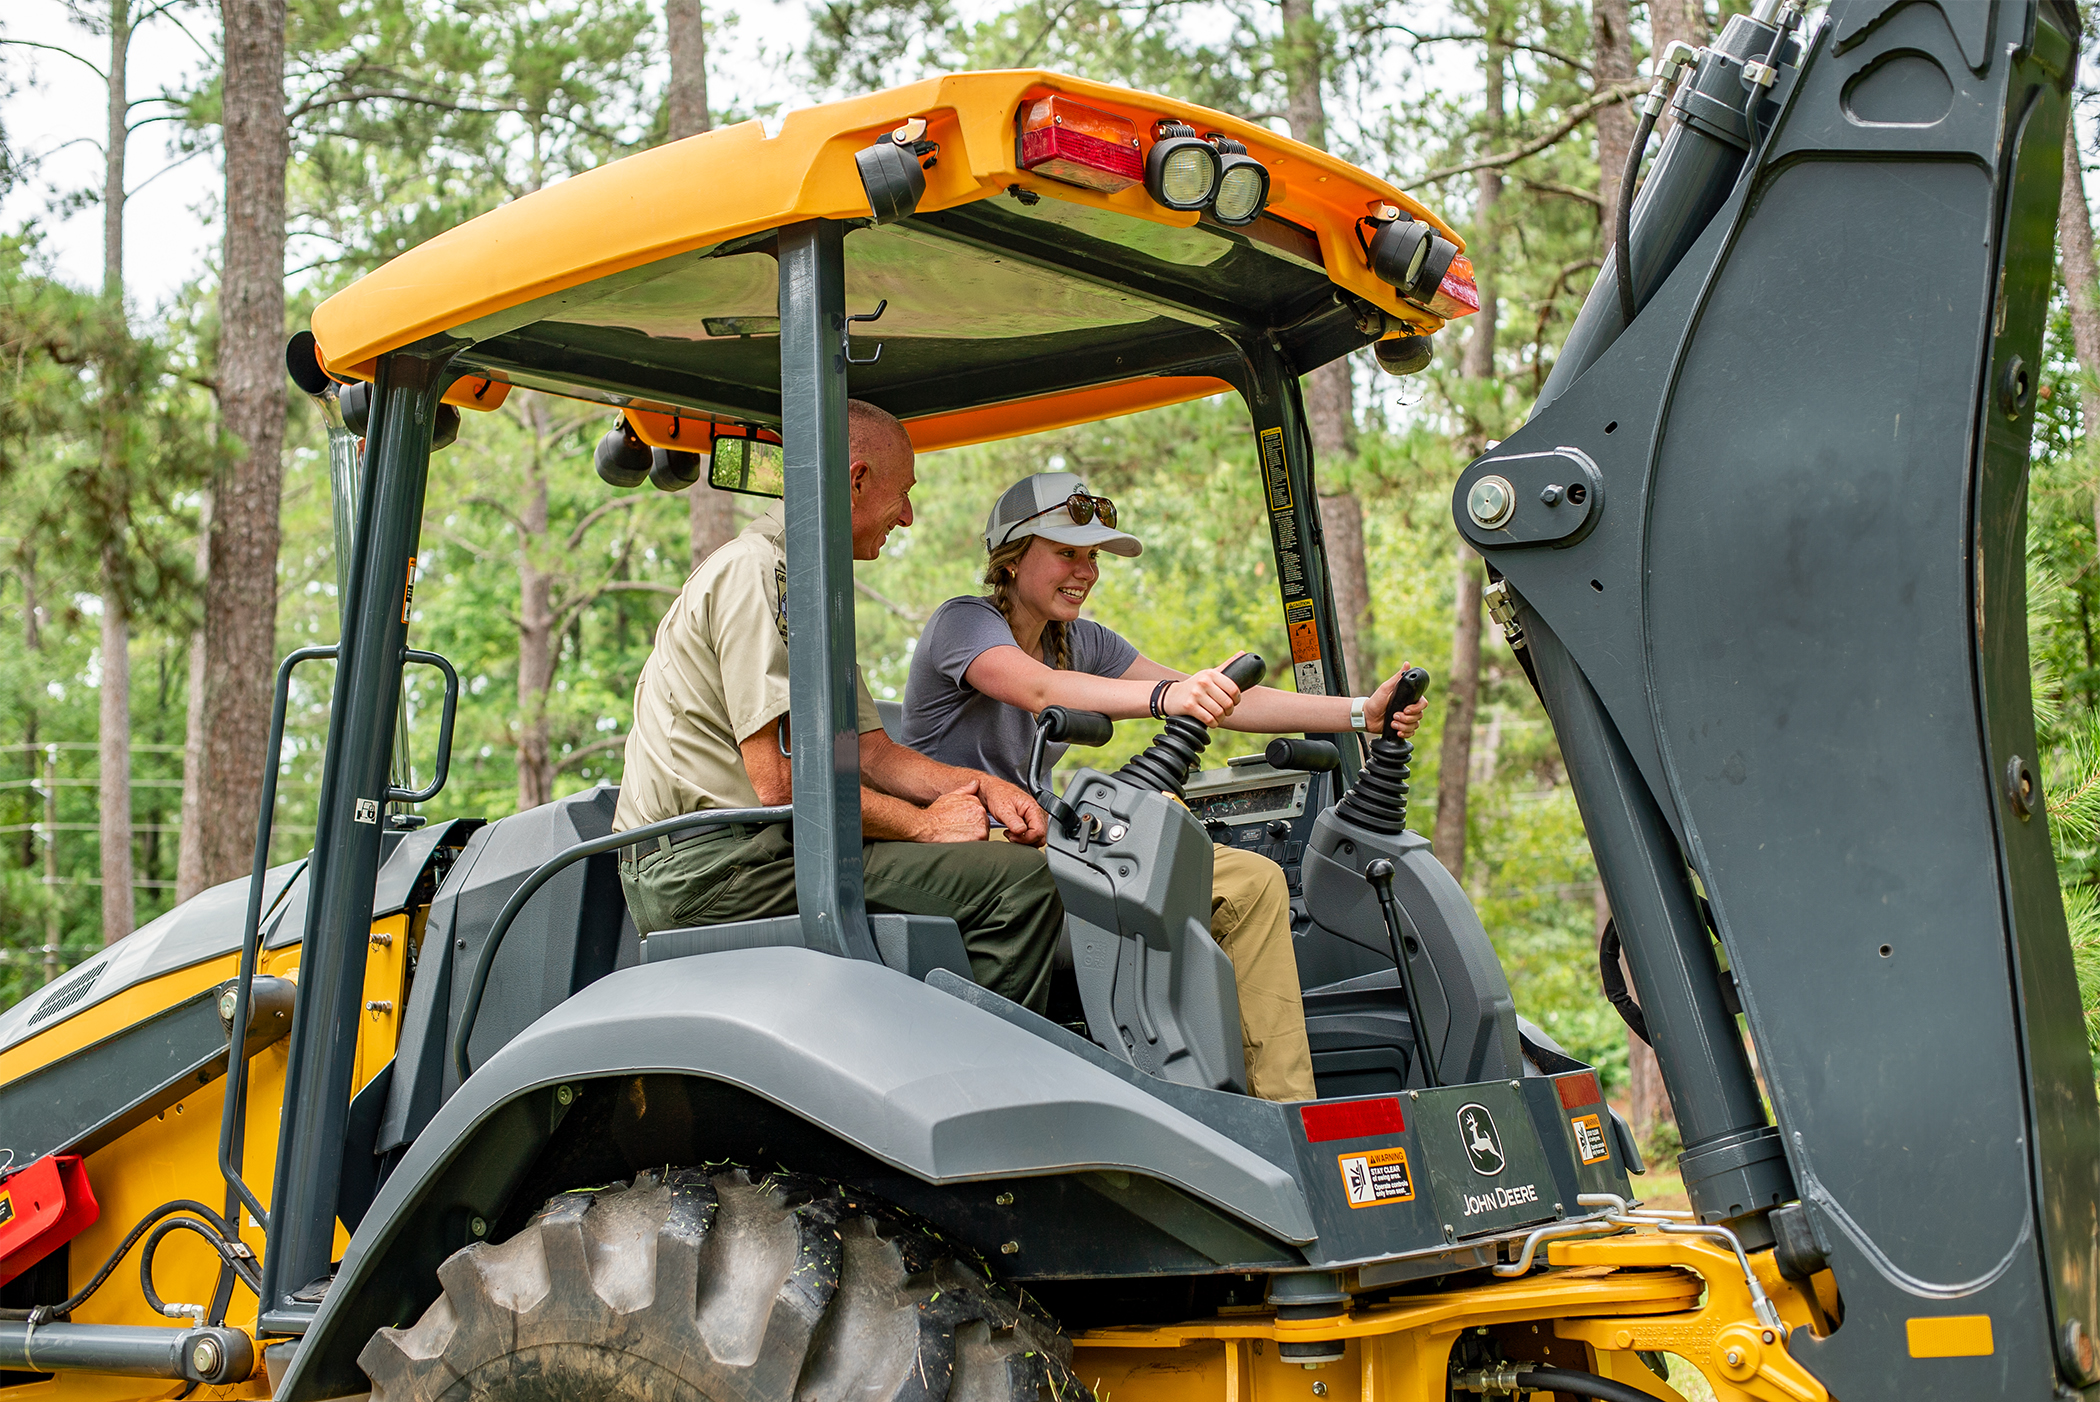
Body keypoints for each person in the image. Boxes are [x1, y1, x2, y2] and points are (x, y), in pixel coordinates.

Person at [900, 471, 1428, 1101]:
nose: (1085, 571)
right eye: (1066, 552)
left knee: (1253, 880)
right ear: (1011, 560)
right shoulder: (964, 623)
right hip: (963, 848)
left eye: (1092, 557)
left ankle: (1290, 1110)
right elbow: (1038, 689)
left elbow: (1219, 701)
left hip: (1041, 838)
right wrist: (1163, 698)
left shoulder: (1081, 641)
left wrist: (1358, 713)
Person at [613, 402, 1067, 1014]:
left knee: (997, 857)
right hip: (710, 866)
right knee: (1017, 886)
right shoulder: (757, 575)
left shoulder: (809, 586)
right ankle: (970, 1081)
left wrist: (982, 788)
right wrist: (923, 825)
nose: (907, 516)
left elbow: (870, 753)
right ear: (856, 481)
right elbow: (779, 784)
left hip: (760, 849)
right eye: (901, 493)